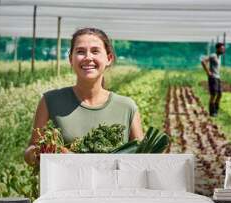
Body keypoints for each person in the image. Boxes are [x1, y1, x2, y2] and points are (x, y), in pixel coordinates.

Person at [24, 27, 144, 166]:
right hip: (63, 185)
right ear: (71, 59)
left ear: (109, 58)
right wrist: (43, 152)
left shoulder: (127, 107)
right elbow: (31, 149)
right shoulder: (50, 101)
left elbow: (141, 158)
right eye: (80, 52)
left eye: (95, 51)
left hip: (112, 186)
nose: (88, 57)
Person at [201, 42, 225, 116]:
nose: (223, 50)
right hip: (213, 77)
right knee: (213, 94)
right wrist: (208, 72)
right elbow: (203, 61)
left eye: (223, 49)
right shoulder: (213, 56)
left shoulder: (219, 56)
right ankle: (212, 112)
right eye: (221, 49)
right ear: (217, 49)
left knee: (220, 94)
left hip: (218, 77)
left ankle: (216, 110)